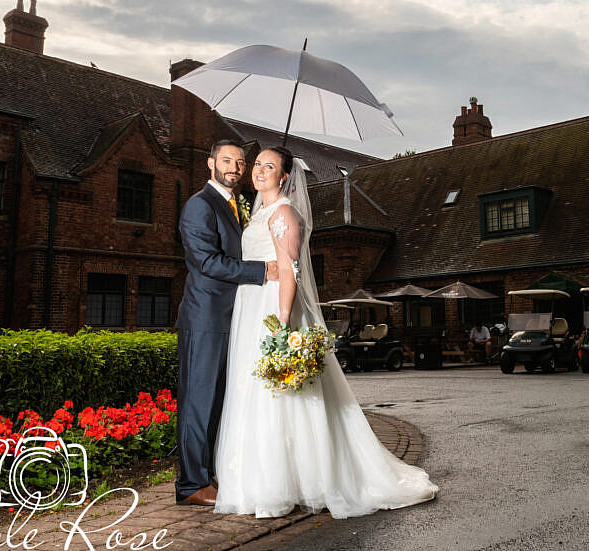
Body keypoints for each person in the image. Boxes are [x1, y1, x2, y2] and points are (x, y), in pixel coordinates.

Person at [214, 146, 438, 519]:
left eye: (270, 167)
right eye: (257, 165)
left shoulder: (284, 214)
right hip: (251, 306)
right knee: (253, 390)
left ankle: (288, 483)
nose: (259, 171)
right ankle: (259, 479)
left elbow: (290, 272)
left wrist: (282, 324)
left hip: (272, 308)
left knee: (282, 394)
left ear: (285, 177)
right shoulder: (256, 215)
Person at [174, 140, 278, 507]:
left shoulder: (237, 205)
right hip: (204, 318)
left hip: (233, 318)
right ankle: (190, 484)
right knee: (198, 401)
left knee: (220, 400)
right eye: (226, 160)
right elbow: (207, 262)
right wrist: (262, 270)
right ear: (210, 163)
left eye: (239, 161)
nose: (234, 167)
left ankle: (208, 473)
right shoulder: (199, 205)